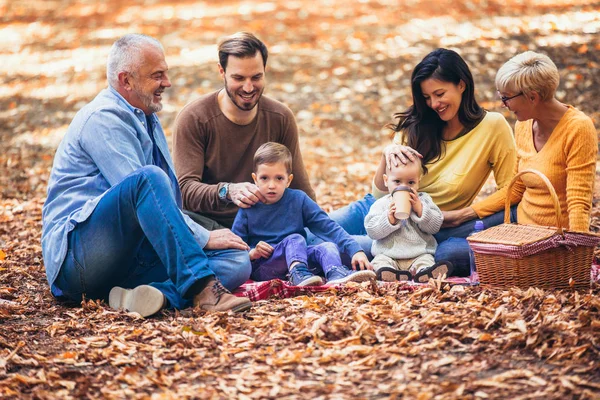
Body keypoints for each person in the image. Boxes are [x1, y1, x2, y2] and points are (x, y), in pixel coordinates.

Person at [41, 34, 253, 317]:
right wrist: (203, 238)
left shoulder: (146, 117)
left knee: (236, 258)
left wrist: (206, 236)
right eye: (157, 75)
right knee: (150, 178)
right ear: (126, 80)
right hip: (78, 262)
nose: (167, 83)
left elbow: (164, 210)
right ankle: (203, 289)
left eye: (165, 73)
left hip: (127, 260)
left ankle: (155, 296)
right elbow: (145, 189)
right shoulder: (102, 118)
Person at [327, 48, 517, 276]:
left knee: (330, 246)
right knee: (312, 229)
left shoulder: (493, 127)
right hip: (376, 211)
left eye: (439, 94)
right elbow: (379, 196)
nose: (434, 104)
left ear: (462, 84)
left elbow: (511, 190)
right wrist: (386, 155)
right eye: (427, 97)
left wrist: (465, 214)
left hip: (418, 232)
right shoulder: (417, 125)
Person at [173, 32, 316, 230]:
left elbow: (301, 187)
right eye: (238, 78)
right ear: (221, 72)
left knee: (354, 226)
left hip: (273, 228)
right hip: (213, 231)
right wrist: (228, 191)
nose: (248, 88)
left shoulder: (280, 117)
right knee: (238, 261)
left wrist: (319, 233)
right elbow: (184, 191)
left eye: (256, 77)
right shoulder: (195, 119)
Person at [443, 51, 596, 235]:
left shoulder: (578, 128)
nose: (502, 104)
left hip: (550, 236)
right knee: (443, 235)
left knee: (449, 251)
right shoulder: (524, 125)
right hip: (518, 217)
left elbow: (578, 201)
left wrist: (578, 251)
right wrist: (461, 215)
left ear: (532, 97)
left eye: (506, 97)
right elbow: (515, 189)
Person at [231, 143, 375, 286]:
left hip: (301, 258)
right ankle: (298, 274)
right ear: (255, 179)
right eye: (264, 178)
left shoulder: (298, 200)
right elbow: (236, 246)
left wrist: (355, 250)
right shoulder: (248, 207)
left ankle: (335, 273)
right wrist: (253, 252)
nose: (271, 185)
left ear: (289, 180)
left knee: (327, 247)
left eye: (279, 178)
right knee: (295, 239)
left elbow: (327, 226)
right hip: (265, 266)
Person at [365, 157, 453, 283]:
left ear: (418, 182)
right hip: (389, 254)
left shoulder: (424, 201)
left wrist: (421, 210)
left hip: (419, 254)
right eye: (397, 181)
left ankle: (425, 272)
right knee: (380, 261)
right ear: (386, 180)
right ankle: (389, 273)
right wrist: (389, 219)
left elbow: (435, 227)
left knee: (426, 260)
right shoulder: (381, 204)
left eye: (411, 183)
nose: (404, 187)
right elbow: (372, 231)